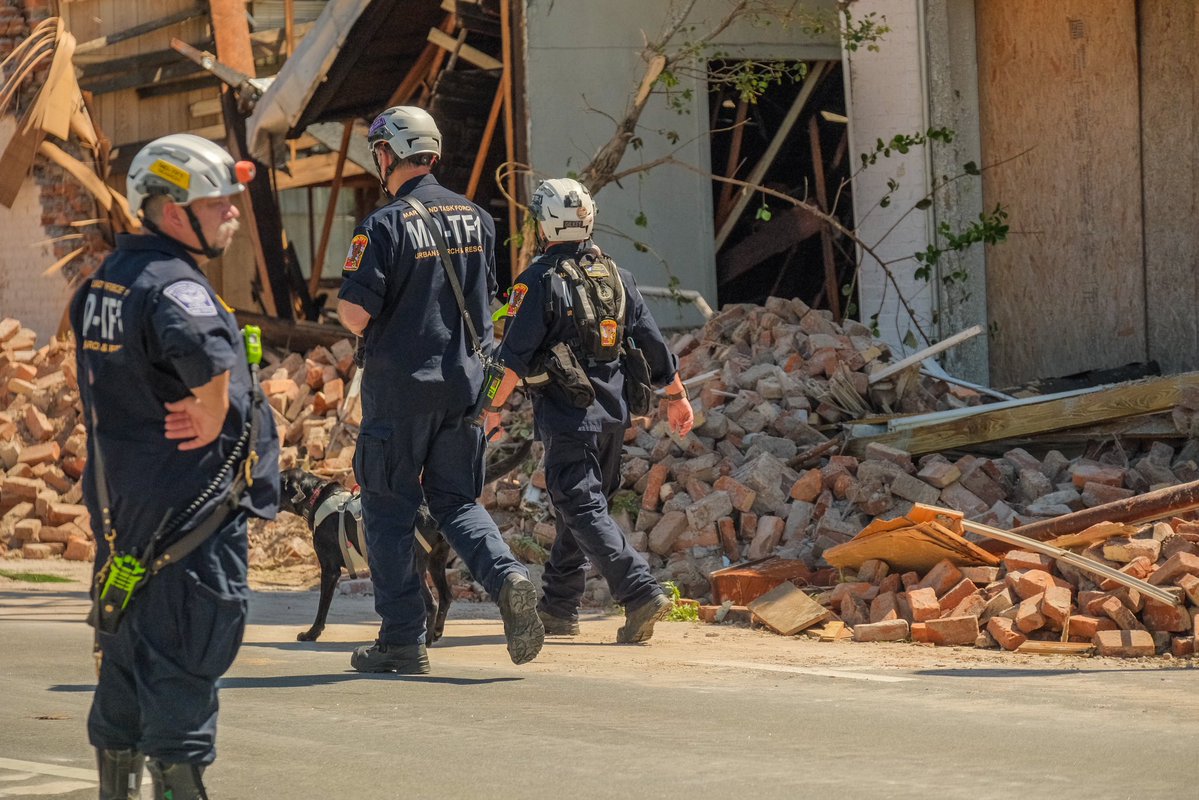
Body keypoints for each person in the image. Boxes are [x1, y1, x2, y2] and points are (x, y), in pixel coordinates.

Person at [71, 133, 280, 800]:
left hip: (128, 518)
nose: (234, 215)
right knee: (183, 682)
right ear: (170, 211)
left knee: (126, 670)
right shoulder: (175, 289)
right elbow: (211, 367)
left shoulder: (106, 280)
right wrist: (216, 411)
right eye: (219, 204)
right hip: (190, 524)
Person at [336, 105, 544, 674]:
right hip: (464, 387)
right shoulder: (479, 218)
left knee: (387, 507)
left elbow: (355, 313)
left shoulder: (383, 225)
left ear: (388, 155)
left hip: (401, 392)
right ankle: (508, 578)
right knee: (455, 501)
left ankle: (402, 638)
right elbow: (491, 302)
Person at [484, 177, 695, 643]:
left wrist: (491, 408)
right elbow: (653, 344)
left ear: (544, 225)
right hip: (614, 417)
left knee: (578, 503)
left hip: (568, 417)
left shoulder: (538, 281)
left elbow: (511, 357)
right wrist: (677, 396)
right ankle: (559, 606)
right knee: (577, 507)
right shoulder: (617, 275)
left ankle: (639, 592)